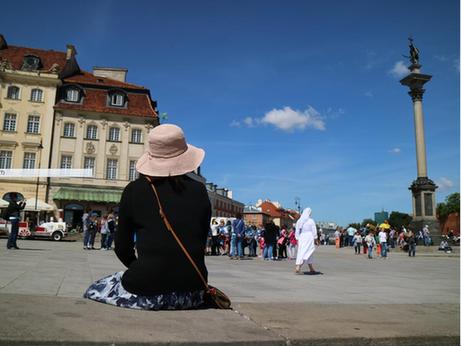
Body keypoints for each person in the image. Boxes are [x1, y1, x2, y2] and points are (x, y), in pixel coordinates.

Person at [84, 124, 210, 310]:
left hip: (147, 290)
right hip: (192, 292)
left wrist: (146, 269)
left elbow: (122, 248)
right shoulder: (200, 190)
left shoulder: (134, 190)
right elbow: (200, 238)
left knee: (95, 288)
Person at [294, 208, 319, 274]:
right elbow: (314, 230)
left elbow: (296, 231)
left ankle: (311, 268)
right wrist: (316, 239)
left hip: (302, 237)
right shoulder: (311, 221)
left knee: (304, 251)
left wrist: (297, 238)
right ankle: (298, 267)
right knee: (307, 251)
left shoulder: (299, 221)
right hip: (309, 237)